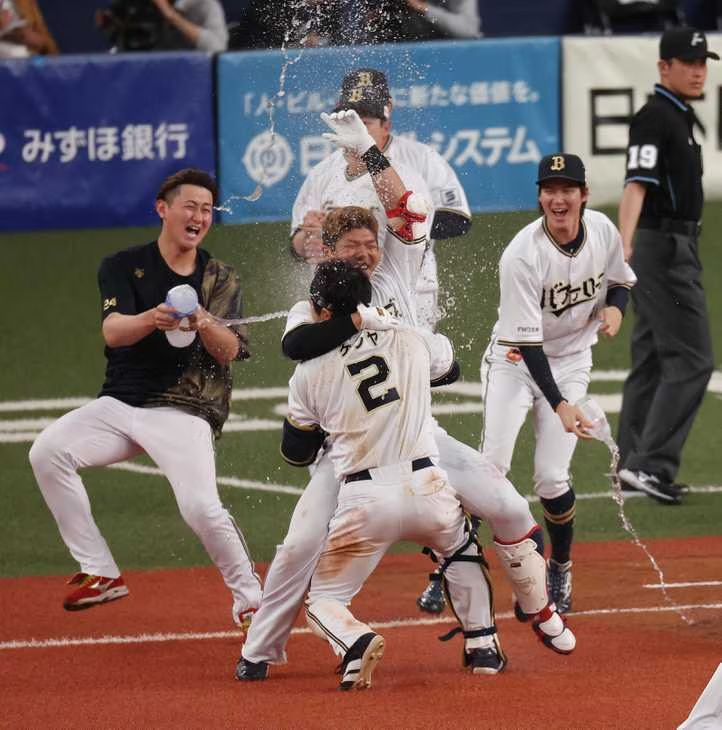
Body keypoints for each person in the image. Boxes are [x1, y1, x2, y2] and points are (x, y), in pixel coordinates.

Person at [235, 111, 575, 682]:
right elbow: (296, 344)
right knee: (297, 548)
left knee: (513, 508)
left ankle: (532, 614)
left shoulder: (395, 267)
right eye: (352, 244)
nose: (366, 252)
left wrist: (371, 153)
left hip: (419, 434)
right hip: (347, 454)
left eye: (372, 242)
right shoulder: (315, 300)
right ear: (328, 251)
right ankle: (259, 650)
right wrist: (370, 326)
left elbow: (411, 212)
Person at [28, 168, 261, 628]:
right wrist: (153, 318)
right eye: (190, 206)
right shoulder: (121, 265)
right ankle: (99, 571)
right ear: (164, 209)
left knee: (200, 507)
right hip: (121, 403)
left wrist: (204, 321)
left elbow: (231, 350)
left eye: (207, 210)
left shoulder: (219, 277)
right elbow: (114, 333)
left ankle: (253, 600)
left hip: (184, 407)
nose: (199, 216)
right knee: (48, 452)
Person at [277, 258, 506, 688]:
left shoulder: (306, 374)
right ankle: (483, 645)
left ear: (321, 311)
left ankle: (354, 641)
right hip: (429, 488)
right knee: (460, 548)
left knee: (325, 598)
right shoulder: (411, 338)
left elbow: (296, 452)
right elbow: (450, 369)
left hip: (364, 500)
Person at [469, 152, 636, 614]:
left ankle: (559, 566)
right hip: (514, 362)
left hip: (571, 362)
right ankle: (454, 563)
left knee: (550, 476)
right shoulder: (522, 256)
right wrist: (561, 404)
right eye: (549, 190)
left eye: (567, 190)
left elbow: (620, 282)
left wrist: (616, 306)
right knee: (491, 468)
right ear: (540, 196)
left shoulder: (602, 231)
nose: (557, 199)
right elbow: (528, 346)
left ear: (583, 195)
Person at [291, 68, 472, 332]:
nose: (355, 129)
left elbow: (455, 219)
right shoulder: (321, 174)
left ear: (385, 121)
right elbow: (298, 244)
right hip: (338, 292)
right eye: (349, 120)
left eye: (364, 123)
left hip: (407, 287)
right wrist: (312, 237)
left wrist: (379, 227)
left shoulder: (415, 162)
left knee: (408, 360)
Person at [616, 28, 716, 506]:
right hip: (663, 249)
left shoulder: (675, 115)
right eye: (687, 61)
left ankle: (630, 462)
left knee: (654, 358)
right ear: (663, 67)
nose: (698, 69)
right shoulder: (656, 116)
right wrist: (625, 244)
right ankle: (649, 466)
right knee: (694, 360)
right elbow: (635, 185)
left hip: (663, 246)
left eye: (703, 61)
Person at [97, 0, 228, 53]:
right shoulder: (139, 4)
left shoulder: (205, 4)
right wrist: (111, 24)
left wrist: (171, 16)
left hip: (189, 78)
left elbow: (217, 48)